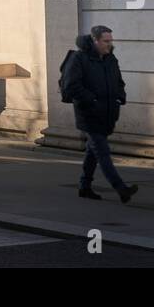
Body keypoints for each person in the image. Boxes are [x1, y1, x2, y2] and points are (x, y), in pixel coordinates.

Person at [60, 25, 138, 203]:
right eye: (106, 41)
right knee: (102, 151)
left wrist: (120, 97)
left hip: (108, 111)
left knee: (92, 150)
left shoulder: (111, 58)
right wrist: (92, 100)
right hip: (88, 113)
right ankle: (121, 188)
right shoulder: (79, 58)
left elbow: (119, 81)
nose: (109, 44)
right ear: (95, 40)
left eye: (111, 41)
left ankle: (84, 186)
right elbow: (71, 86)